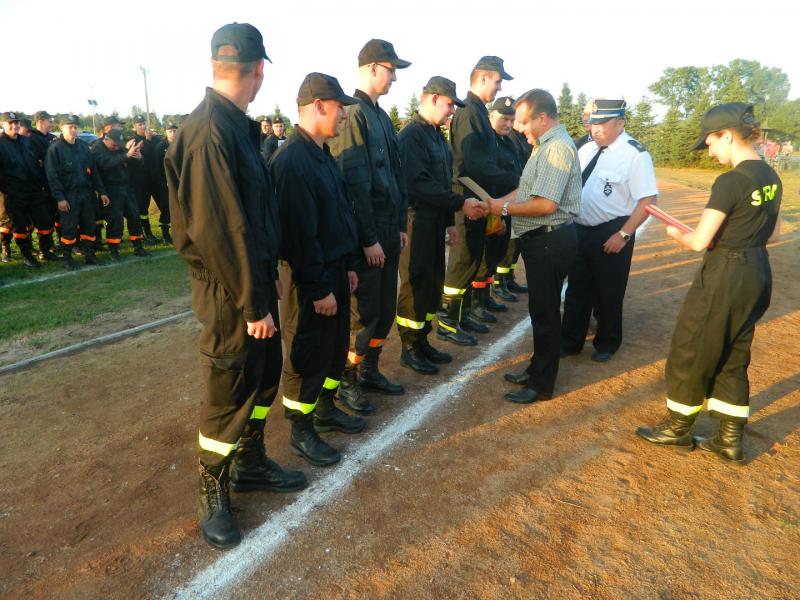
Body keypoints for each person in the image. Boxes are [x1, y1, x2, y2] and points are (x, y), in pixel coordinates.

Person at [165, 22, 306, 551]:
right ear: (259, 71)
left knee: (263, 377)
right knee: (228, 389)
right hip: (230, 293)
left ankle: (251, 462)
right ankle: (213, 489)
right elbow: (220, 231)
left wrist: (264, 284)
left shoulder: (231, 126)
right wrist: (252, 303)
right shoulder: (209, 132)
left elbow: (250, 219)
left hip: (251, 283)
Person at [637, 103, 782, 464]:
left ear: (728, 135)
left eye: (711, 143)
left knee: (692, 345)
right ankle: (729, 438)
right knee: (734, 350)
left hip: (725, 274)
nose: (711, 151)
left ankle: (677, 428)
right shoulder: (771, 177)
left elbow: (700, 241)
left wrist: (677, 234)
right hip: (756, 271)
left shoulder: (731, 181)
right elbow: (774, 233)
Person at [272, 72, 365, 467]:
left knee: (332, 347)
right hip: (311, 279)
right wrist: (318, 286)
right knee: (307, 353)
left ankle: (325, 408)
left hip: (335, 271)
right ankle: (301, 429)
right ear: (319, 106)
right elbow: (299, 235)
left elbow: (337, 216)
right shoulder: (292, 161)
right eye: (340, 107)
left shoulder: (322, 154)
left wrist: (348, 266)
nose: (344, 115)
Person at [328, 38, 411, 414]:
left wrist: (400, 225)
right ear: (372, 68)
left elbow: (394, 175)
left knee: (384, 310)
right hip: (371, 233)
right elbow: (355, 186)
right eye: (391, 70)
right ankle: (348, 380)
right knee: (363, 314)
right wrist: (369, 239)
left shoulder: (381, 116)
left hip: (389, 229)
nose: (394, 78)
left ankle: (370, 370)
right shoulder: (355, 114)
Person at [491, 89, 582, 403]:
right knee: (541, 311)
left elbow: (545, 204)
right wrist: (495, 203)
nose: (519, 128)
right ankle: (536, 369)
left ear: (542, 118)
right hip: (543, 240)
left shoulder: (556, 149)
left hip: (549, 240)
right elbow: (526, 190)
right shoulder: (544, 145)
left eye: (523, 121)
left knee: (545, 315)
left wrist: (502, 209)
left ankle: (541, 384)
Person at [396, 76, 488, 373]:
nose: (452, 111)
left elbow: (444, 181)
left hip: (435, 219)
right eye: (449, 104)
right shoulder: (411, 136)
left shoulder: (436, 135)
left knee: (433, 281)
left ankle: (422, 339)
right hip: (416, 220)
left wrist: (449, 222)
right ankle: (409, 346)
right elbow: (419, 183)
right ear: (433, 99)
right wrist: (459, 204)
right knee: (416, 282)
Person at [561, 99, 658, 363]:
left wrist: (624, 234)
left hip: (612, 230)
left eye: (603, 123)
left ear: (620, 123)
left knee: (609, 290)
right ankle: (570, 341)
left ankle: (607, 342)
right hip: (579, 229)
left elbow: (648, 199)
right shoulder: (585, 149)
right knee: (577, 289)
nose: (596, 129)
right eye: (593, 123)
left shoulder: (635, 154)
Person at [438, 56, 519, 342]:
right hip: (466, 198)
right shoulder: (469, 112)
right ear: (483, 78)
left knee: (473, 259)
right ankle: (448, 322)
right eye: (497, 81)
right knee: (463, 260)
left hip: (478, 198)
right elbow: (473, 164)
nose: (499, 87)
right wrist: (515, 181)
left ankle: (462, 314)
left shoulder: (477, 112)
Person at [45, 115, 109, 269]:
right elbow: (52, 176)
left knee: (89, 226)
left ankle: (90, 255)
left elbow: (94, 172)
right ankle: (68, 259)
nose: (73, 130)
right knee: (69, 228)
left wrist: (102, 191)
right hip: (68, 196)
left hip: (86, 194)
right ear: (61, 128)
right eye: (70, 127)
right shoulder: (55, 149)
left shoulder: (83, 147)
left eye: (75, 127)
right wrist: (60, 198)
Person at [0, 111, 57, 266]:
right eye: (10, 123)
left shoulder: (26, 141)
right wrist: (7, 190)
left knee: (45, 222)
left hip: (33, 189)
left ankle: (45, 252)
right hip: (13, 193)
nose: (14, 126)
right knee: (20, 227)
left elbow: (37, 161)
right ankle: (27, 256)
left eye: (16, 123)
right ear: (2, 124)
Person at [485, 96, 523, 307]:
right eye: (504, 119)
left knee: (497, 253)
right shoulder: (488, 141)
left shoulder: (507, 141)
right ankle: (478, 303)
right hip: (491, 207)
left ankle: (486, 298)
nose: (508, 124)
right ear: (491, 116)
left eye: (512, 120)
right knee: (484, 258)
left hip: (507, 206)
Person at [90, 128, 150, 260]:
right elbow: (106, 163)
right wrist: (127, 155)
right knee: (115, 220)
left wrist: (139, 157)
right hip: (111, 189)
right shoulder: (97, 149)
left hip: (126, 187)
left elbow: (130, 161)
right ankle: (114, 250)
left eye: (119, 145)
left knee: (134, 216)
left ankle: (138, 246)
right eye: (114, 144)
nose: (117, 147)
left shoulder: (119, 148)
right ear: (106, 139)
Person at [128, 114, 160, 244]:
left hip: (154, 179)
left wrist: (150, 139)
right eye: (139, 124)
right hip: (140, 180)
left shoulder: (154, 138)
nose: (142, 126)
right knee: (143, 209)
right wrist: (147, 141)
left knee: (164, 206)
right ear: (134, 126)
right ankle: (146, 233)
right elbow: (140, 155)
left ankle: (160, 232)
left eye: (143, 124)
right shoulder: (133, 141)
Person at [151, 121, 177, 244]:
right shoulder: (160, 148)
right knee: (167, 208)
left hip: (179, 182)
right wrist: (163, 182)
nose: (172, 133)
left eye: (174, 131)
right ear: (166, 132)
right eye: (170, 131)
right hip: (164, 184)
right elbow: (156, 168)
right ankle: (165, 233)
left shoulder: (182, 144)